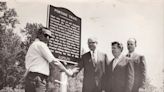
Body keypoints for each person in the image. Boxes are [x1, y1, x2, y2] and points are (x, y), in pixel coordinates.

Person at [24, 27, 73, 92]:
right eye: (46, 35)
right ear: (39, 35)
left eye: (50, 37)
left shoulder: (32, 46)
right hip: (38, 79)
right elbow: (54, 62)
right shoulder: (41, 45)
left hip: (30, 78)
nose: (48, 38)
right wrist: (67, 72)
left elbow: (28, 66)